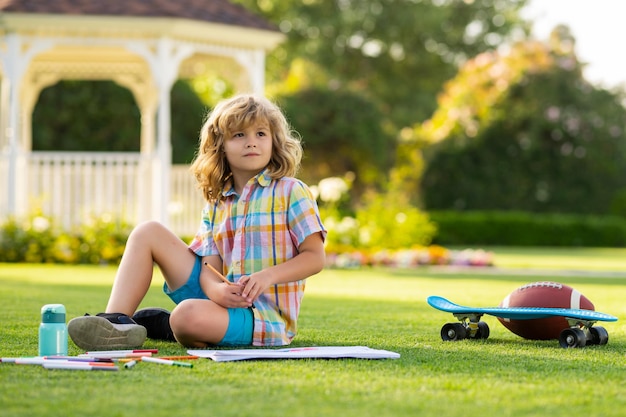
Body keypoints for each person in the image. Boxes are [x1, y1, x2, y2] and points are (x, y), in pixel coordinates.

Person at [68, 94, 327, 350]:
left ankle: (175, 326)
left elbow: (315, 257)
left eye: (261, 134)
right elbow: (209, 266)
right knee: (147, 232)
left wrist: (267, 276)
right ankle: (115, 324)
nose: (251, 143)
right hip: (219, 299)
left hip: (262, 318)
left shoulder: (291, 191)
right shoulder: (217, 203)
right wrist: (215, 290)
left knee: (185, 316)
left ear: (274, 142)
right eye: (239, 135)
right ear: (221, 145)